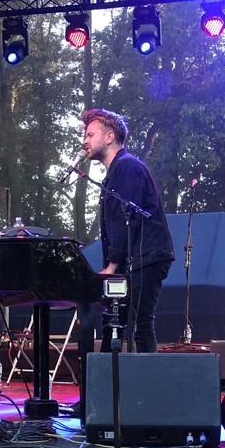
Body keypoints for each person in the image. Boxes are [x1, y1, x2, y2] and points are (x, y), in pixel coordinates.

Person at [82, 108, 175, 353]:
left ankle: (145, 378)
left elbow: (125, 220)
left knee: (141, 324)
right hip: (134, 258)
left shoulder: (127, 167)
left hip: (146, 257)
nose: (85, 141)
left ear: (109, 137)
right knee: (113, 323)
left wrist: (112, 266)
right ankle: (108, 376)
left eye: (91, 134)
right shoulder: (116, 171)